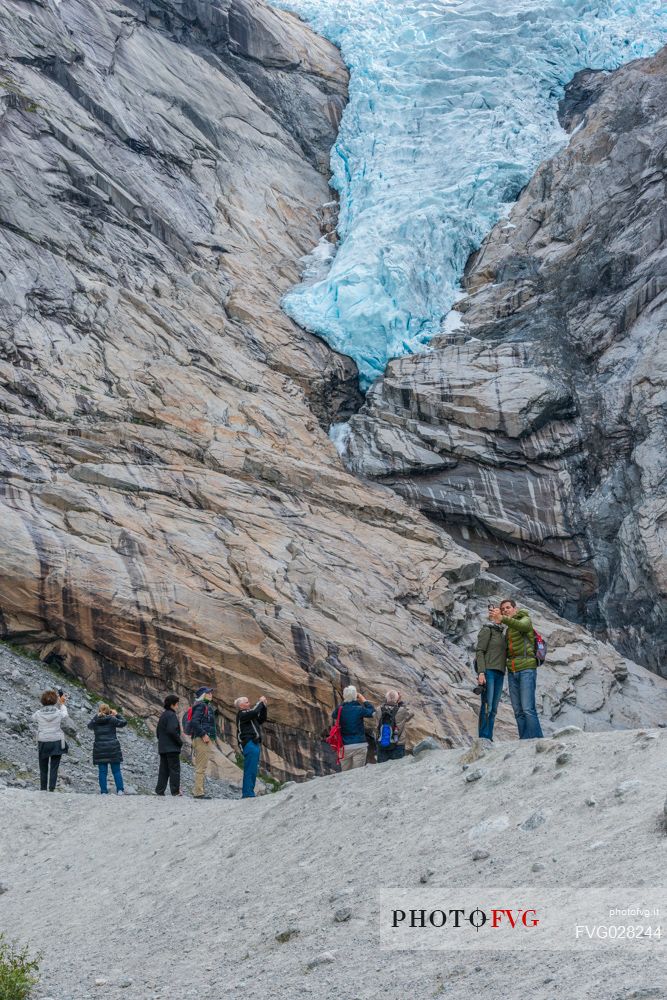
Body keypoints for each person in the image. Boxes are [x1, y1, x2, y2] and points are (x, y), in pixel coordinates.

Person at [490, 599, 543, 739]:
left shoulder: (525, 618)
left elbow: (523, 627)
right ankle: (525, 741)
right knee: (518, 710)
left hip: (526, 668)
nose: (506, 610)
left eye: (508, 608)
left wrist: (503, 619)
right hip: (512, 670)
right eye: (503, 609)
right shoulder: (508, 630)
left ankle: (537, 740)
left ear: (515, 609)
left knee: (528, 708)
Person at [475, 608, 507, 741]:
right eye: (497, 612)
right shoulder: (487, 629)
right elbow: (480, 651)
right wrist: (481, 672)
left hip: (500, 672)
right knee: (487, 705)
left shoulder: (502, 633)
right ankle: (484, 737)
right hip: (488, 671)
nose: (500, 614)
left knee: (493, 708)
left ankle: (489, 736)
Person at [33, 689, 69, 791]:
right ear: (55, 700)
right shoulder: (58, 712)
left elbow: (33, 718)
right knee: (54, 767)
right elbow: (65, 715)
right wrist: (62, 704)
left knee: (43, 766)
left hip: (43, 741)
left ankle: (43, 788)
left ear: (42, 701)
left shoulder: (38, 713)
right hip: (56, 741)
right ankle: (52, 789)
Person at [87, 703, 128, 794]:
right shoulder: (112, 719)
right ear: (109, 711)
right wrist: (117, 714)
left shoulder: (96, 720)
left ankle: (103, 791)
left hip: (100, 749)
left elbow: (89, 726)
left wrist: (95, 717)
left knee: (102, 771)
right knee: (116, 770)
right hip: (113, 748)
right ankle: (120, 790)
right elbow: (124, 722)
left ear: (99, 711)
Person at [331, 686, 374, 771]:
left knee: (345, 773)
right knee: (357, 774)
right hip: (359, 745)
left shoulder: (340, 709)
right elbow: (372, 712)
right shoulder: (359, 709)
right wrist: (364, 700)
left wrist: (346, 700)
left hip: (344, 747)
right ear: (356, 697)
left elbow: (334, 715)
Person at [235, 696, 268, 798]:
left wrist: (264, 707)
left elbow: (261, 719)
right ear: (241, 706)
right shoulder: (242, 714)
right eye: (247, 702)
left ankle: (249, 792)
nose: (249, 703)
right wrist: (260, 702)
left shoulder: (249, 715)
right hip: (249, 743)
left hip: (254, 743)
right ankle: (247, 794)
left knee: (253, 769)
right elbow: (254, 712)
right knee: (250, 769)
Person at [190, 686, 217, 800]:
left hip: (202, 739)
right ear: (203, 695)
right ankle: (198, 793)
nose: (211, 694)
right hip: (201, 739)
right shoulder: (201, 705)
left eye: (211, 693)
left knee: (202, 765)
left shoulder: (205, 705)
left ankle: (198, 790)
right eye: (208, 693)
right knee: (201, 766)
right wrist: (203, 734)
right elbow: (194, 722)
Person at [155, 694, 183, 797]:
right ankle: (175, 791)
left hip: (163, 748)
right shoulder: (171, 715)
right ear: (172, 704)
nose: (177, 706)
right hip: (172, 748)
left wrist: (162, 742)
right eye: (177, 704)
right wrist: (179, 742)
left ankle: (160, 790)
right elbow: (172, 730)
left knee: (164, 770)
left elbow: (158, 732)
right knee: (174, 770)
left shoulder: (163, 715)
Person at [376, 690, 413, 763]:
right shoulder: (402, 710)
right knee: (397, 770)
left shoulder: (378, 709)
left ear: (386, 698)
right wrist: (400, 702)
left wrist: (386, 700)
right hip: (398, 744)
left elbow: (375, 715)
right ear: (397, 699)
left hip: (382, 743)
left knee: (381, 770)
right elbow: (411, 713)